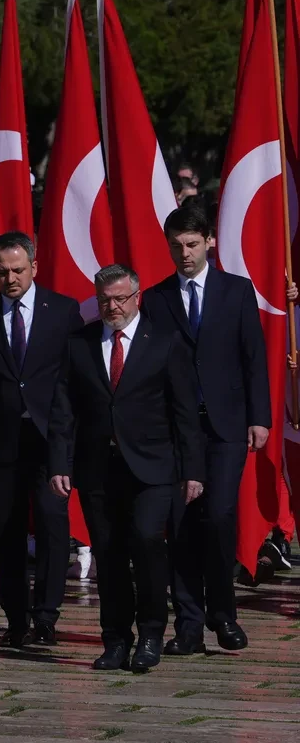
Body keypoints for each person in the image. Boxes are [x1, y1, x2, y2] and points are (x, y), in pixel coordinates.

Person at [48, 264, 204, 672]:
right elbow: (63, 411)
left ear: (137, 297)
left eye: (120, 299)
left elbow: (185, 412)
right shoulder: (79, 344)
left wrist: (193, 469)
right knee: (108, 552)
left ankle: (151, 633)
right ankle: (116, 639)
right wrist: (59, 462)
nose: (112, 306)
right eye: (104, 300)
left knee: (147, 540)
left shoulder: (164, 341)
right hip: (98, 467)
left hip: (153, 467)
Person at [141, 205, 269, 655]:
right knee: (181, 526)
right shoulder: (155, 298)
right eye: (176, 245)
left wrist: (259, 416)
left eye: (192, 244)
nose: (185, 253)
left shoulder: (236, 290)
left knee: (217, 516)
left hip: (226, 423)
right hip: (176, 430)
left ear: (209, 241)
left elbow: (253, 356)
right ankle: (190, 626)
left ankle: (224, 614)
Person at [0, 232, 83, 648]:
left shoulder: (62, 311)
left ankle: (46, 616)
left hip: (51, 440)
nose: (10, 278)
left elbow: (77, 379)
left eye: (17, 270)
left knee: (51, 524)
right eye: (2, 271)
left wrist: (75, 442)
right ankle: (15, 618)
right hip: (4, 440)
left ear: (34, 267)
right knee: (8, 531)